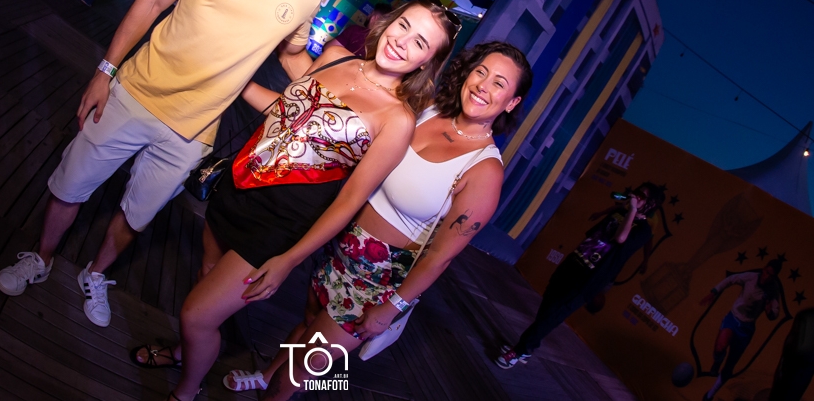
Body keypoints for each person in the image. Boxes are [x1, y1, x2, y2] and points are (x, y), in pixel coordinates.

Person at [0, 0, 363, 328]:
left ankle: (96, 273)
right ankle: (41, 257)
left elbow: (292, 57)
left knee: (138, 215)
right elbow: (153, 0)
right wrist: (105, 72)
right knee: (70, 186)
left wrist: (343, 99)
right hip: (134, 93)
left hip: (194, 130)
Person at [131, 0, 460, 401]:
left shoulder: (397, 119)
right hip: (238, 189)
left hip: (280, 226)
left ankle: (185, 392)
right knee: (206, 276)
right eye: (404, 25)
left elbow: (349, 200)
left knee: (196, 315)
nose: (402, 41)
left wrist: (289, 260)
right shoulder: (337, 57)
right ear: (390, 22)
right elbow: (288, 113)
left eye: (421, 42)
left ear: (427, 62)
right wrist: (238, 82)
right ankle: (185, 353)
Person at [222, 41, 533, 397]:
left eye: (499, 83)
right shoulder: (427, 111)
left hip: (379, 278)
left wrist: (392, 307)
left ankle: (274, 390)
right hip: (341, 242)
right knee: (307, 325)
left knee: (306, 365)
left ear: (511, 103)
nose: (482, 86)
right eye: (481, 72)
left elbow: (440, 257)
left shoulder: (484, 170)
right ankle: (266, 374)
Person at [496, 181, 665, 369]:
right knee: (548, 305)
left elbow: (620, 238)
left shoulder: (643, 231)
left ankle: (519, 350)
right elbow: (594, 235)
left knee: (555, 314)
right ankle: (528, 348)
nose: (636, 196)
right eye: (637, 192)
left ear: (650, 204)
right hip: (575, 262)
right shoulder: (620, 212)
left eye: (642, 196)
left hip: (590, 278)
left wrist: (632, 209)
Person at [700, 260, 783, 400]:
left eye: (771, 275)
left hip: (746, 329)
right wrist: (714, 291)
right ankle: (717, 362)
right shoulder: (751, 277)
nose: (767, 277)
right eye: (767, 272)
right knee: (720, 347)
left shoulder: (773, 290)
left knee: (729, 366)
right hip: (733, 318)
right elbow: (731, 279)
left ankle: (710, 395)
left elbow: (775, 313)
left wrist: (770, 311)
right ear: (763, 269)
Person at [325, 2, 393, 58]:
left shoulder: (355, 30)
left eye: (371, 13)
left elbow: (328, 48)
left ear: (374, 18)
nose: (368, 16)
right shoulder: (383, 47)